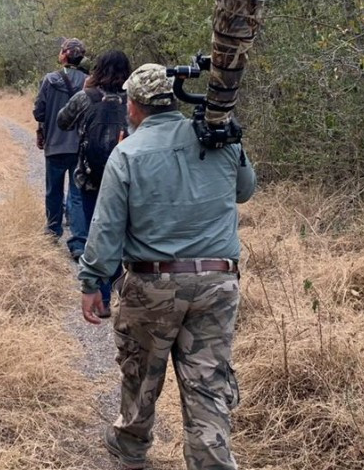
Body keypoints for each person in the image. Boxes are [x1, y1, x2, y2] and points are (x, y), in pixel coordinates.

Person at [79, 63, 257, 470]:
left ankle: (131, 449)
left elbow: (106, 227)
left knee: (141, 374)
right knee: (208, 384)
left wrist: (92, 281)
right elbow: (245, 191)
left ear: (135, 105)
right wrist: (234, 142)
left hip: (153, 282)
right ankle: (211, 462)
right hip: (218, 280)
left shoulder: (128, 152)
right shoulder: (218, 137)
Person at [56, 49, 131, 317]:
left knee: (95, 235)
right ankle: (126, 288)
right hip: (126, 180)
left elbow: (62, 122)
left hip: (90, 178)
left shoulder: (86, 97)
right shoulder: (133, 100)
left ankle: (104, 298)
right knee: (124, 236)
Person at [33, 37, 89, 258]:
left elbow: (39, 112)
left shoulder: (50, 80)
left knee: (53, 190)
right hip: (80, 148)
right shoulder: (88, 81)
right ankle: (77, 242)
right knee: (77, 193)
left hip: (55, 145)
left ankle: (53, 230)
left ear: (65, 54)